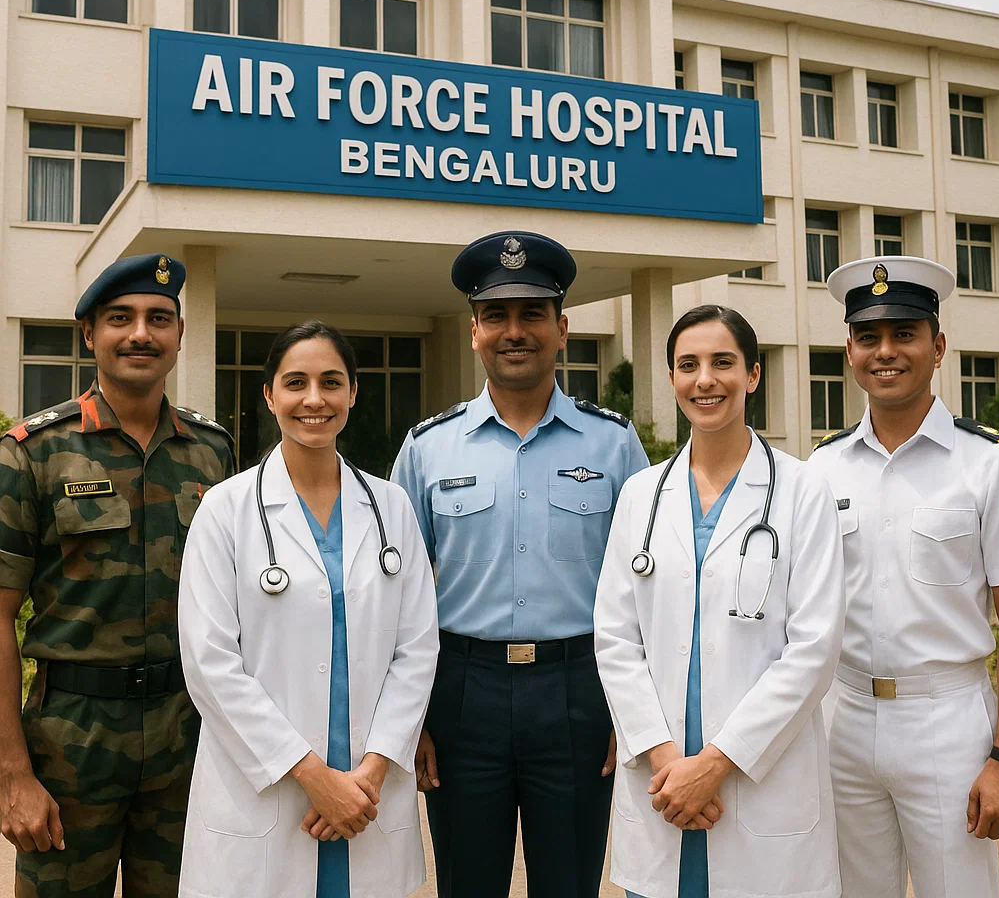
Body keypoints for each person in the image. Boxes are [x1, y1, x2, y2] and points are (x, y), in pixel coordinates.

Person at [391, 231, 649, 898]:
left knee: (569, 884)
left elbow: (649, 591)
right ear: (473, 330)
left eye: (532, 314)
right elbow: (398, 597)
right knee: (467, 884)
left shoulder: (615, 444)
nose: (515, 331)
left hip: (578, 692)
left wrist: (636, 713)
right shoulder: (428, 449)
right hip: (462, 694)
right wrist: (409, 715)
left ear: (562, 329)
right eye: (497, 315)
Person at [0, 254, 235, 898]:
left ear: (180, 334)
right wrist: (12, 774)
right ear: (89, 334)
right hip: (71, 742)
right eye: (120, 319)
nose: (141, 334)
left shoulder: (211, 452)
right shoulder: (34, 452)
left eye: (159, 318)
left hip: (186, 735)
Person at [177, 320, 438, 898]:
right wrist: (315, 778)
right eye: (296, 382)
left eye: (331, 382)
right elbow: (210, 663)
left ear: (352, 393)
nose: (314, 399)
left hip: (368, 796)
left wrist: (367, 777)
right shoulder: (226, 510)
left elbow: (417, 649)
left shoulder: (391, 507)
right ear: (269, 396)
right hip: (270, 795)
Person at [594, 304, 845, 898]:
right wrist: (667, 765)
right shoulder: (640, 496)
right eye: (688, 365)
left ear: (753, 375)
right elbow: (615, 638)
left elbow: (814, 649)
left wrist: (712, 767)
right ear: (673, 378)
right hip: (663, 785)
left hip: (759, 784)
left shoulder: (803, 490)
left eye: (722, 363)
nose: (704, 380)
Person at [809, 256, 999, 898]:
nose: (886, 352)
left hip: (947, 722)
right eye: (870, 337)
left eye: (905, 334)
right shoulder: (822, 470)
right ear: (849, 349)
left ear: (938, 347)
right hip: (842, 720)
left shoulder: (991, 464)